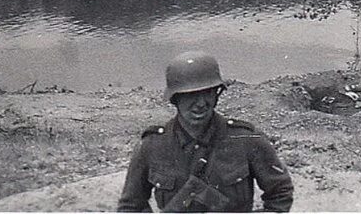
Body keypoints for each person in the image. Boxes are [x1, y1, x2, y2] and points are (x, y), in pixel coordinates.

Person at [118, 51, 294, 212]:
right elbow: (131, 206)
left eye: (207, 93)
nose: (201, 103)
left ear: (216, 94)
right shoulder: (152, 145)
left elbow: (280, 192)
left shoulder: (246, 139)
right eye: (191, 95)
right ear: (175, 98)